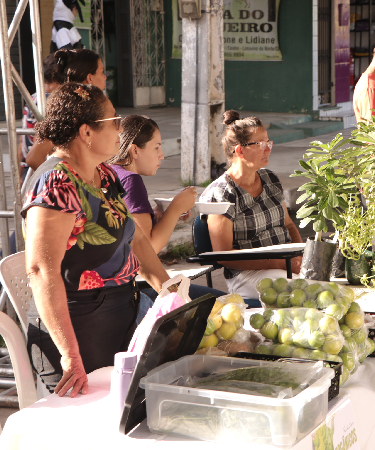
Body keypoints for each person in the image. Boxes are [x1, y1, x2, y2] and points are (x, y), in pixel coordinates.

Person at [23, 82, 171, 396]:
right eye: (114, 121)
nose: (121, 128)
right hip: (79, 327)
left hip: (118, 313)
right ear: (87, 133)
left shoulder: (104, 174)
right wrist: (70, 355)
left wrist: (169, 291)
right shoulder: (57, 181)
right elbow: (41, 271)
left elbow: (134, 239)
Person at [107, 115, 226, 305]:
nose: (161, 155)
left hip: (119, 287)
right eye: (156, 147)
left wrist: (159, 215)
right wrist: (176, 207)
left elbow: (132, 231)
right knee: (224, 302)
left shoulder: (111, 172)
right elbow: (149, 247)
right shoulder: (131, 180)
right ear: (135, 150)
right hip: (140, 287)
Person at [199, 111, 303, 299]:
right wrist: (280, 263)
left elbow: (287, 224)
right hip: (247, 276)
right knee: (307, 294)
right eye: (261, 144)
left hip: (286, 265)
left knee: (329, 284)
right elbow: (224, 255)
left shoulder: (269, 178)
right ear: (239, 150)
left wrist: (301, 257)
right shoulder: (221, 193)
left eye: (268, 142)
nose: (268, 148)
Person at [26, 49, 106, 171]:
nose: (105, 77)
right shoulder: (67, 111)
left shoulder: (91, 108)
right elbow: (34, 158)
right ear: (90, 78)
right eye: (101, 72)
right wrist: (69, 182)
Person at [21, 54, 61, 180]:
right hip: (45, 168)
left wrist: (21, 174)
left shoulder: (32, 99)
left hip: (30, 169)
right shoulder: (57, 103)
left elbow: (23, 139)